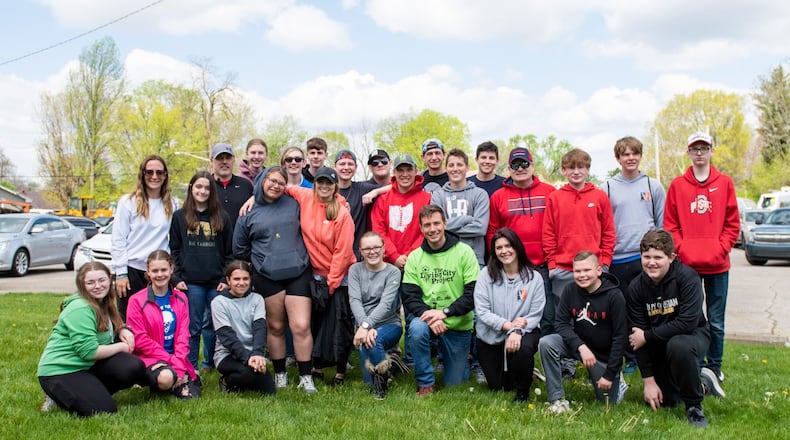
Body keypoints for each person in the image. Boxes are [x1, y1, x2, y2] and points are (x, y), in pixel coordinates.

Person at [626, 230, 725, 428]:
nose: (651, 262)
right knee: (669, 400)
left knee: (679, 345)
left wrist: (648, 335)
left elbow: (687, 323)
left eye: (658, 257)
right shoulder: (636, 287)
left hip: (692, 336)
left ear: (671, 257)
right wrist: (648, 381)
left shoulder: (688, 278)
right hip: (657, 342)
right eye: (646, 257)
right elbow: (637, 338)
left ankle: (694, 408)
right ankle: (704, 382)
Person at [664, 132, 739, 384]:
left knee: (716, 320)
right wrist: (682, 249)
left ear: (711, 151)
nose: (699, 153)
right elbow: (671, 224)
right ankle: (693, 363)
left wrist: (722, 248)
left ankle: (715, 367)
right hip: (687, 266)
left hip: (718, 264)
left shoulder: (725, 182)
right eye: (694, 148)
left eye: (703, 148)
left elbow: (732, 223)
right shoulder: (677, 185)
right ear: (688, 152)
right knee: (689, 318)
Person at [233, 166, 316, 394]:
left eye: (280, 182)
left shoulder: (293, 203)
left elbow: (321, 199)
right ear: (261, 181)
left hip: (298, 271)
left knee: (300, 325)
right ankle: (280, 373)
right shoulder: (248, 212)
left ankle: (306, 376)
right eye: (271, 180)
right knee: (276, 326)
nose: (275, 185)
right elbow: (239, 248)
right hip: (267, 276)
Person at [37, 262, 145, 417]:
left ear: (110, 279)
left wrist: (123, 329)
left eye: (102, 280)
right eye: (90, 282)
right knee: (103, 410)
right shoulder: (81, 308)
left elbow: (109, 328)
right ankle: (56, 396)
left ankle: (90, 391)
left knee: (132, 367)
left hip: (86, 367)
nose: (97, 286)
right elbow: (89, 352)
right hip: (61, 370)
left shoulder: (103, 302)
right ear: (82, 285)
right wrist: (121, 347)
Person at [286, 167, 356, 386]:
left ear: (335, 186)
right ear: (314, 183)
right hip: (314, 276)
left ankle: (340, 371)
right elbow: (281, 186)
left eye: (329, 183)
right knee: (316, 323)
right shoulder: (306, 196)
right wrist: (252, 198)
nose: (324, 186)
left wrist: (332, 284)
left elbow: (342, 253)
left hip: (340, 276)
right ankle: (316, 366)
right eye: (320, 182)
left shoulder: (342, 213)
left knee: (339, 323)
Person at [602, 136, 666, 374]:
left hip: (646, 259)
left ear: (640, 156)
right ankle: (630, 357)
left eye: (634, 153)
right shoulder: (607, 187)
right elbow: (604, 225)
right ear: (618, 158)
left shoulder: (652, 186)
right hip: (618, 258)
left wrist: (661, 256)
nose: (630, 158)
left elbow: (661, 224)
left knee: (651, 309)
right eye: (625, 154)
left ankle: (653, 354)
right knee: (625, 311)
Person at [401, 205, 479, 396]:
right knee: (416, 329)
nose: (432, 229)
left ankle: (460, 360)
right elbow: (410, 296)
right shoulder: (415, 257)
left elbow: (472, 294)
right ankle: (425, 382)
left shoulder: (464, 252)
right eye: (427, 225)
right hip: (428, 321)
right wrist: (432, 318)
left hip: (457, 322)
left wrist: (444, 313)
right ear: (421, 228)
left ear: (445, 224)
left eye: (436, 223)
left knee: (455, 383)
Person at [539, 251, 628, 414]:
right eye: (577, 271)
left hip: (603, 355)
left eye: (587, 270)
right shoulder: (570, 290)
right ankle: (557, 399)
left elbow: (620, 338)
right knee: (547, 343)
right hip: (580, 347)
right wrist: (580, 346)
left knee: (608, 402)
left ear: (599, 271)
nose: (582, 275)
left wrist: (609, 374)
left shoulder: (615, 296)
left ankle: (617, 381)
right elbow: (561, 324)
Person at [543, 148, 616, 335]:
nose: (576, 171)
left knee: (593, 316)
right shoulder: (555, 198)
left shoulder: (599, 196)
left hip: (593, 267)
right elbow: (548, 232)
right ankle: (566, 361)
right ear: (564, 170)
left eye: (581, 167)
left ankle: (595, 357)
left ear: (588, 169)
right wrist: (552, 265)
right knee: (565, 317)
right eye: (571, 167)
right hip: (563, 269)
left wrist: (605, 262)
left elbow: (608, 232)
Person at [169, 171, 233, 371]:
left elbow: (230, 251)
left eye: (207, 188)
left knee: (214, 325)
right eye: (198, 187)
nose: (202, 191)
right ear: (191, 188)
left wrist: (225, 277)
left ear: (212, 191)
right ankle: (191, 366)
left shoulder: (221, 216)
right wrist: (176, 277)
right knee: (193, 327)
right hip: (190, 282)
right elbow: (175, 249)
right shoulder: (180, 216)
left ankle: (211, 363)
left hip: (217, 282)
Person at [487, 147, 556, 332]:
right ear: (509, 169)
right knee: (514, 316)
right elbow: (493, 232)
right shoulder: (498, 197)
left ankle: (550, 357)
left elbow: (559, 225)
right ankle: (519, 355)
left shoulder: (550, 192)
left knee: (549, 316)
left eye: (524, 163)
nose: (520, 168)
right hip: (513, 267)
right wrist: (498, 260)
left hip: (544, 265)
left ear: (532, 166)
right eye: (515, 164)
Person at [474, 228, 545, 402]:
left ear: (517, 247)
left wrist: (518, 331)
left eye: (508, 246)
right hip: (492, 335)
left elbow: (536, 313)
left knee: (521, 353)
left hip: (523, 332)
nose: (504, 251)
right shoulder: (485, 275)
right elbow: (482, 311)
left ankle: (523, 393)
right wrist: (510, 326)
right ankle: (525, 371)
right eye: (499, 248)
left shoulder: (534, 278)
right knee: (498, 387)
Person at [126, 250, 200, 399]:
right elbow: (140, 340)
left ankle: (178, 377)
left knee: (192, 396)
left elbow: (183, 335)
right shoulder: (136, 301)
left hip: (176, 357)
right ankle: (163, 381)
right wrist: (169, 359)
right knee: (166, 379)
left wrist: (178, 364)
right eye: (155, 271)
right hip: (150, 357)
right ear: (148, 272)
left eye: (164, 270)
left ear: (171, 269)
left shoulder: (181, 298)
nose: (160, 275)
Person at [112, 154, 177, 319]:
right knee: (128, 322)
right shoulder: (128, 202)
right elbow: (118, 239)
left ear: (165, 175)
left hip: (158, 273)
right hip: (132, 271)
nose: (154, 176)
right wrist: (121, 273)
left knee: (158, 321)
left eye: (159, 172)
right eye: (149, 172)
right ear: (142, 174)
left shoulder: (172, 203)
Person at [348, 231, 404, 399]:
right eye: (367, 249)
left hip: (390, 324)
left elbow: (386, 305)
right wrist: (365, 326)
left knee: (374, 341)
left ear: (384, 249)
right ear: (360, 251)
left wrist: (366, 327)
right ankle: (392, 365)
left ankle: (381, 388)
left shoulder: (393, 272)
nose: (372, 252)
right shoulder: (355, 270)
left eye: (376, 247)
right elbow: (355, 301)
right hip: (364, 326)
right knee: (367, 381)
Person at [212, 260, 275, 395]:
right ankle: (226, 381)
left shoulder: (257, 299)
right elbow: (227, 337)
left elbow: (260, 328)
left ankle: (249, 376)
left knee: (269, 390)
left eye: (245, 278)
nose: (242, 283)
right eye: (236, 279)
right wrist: (248, 359)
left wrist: (257, 353)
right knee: (249, 375)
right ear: (228, 280)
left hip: (252, 353)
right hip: (227, 354)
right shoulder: (218, 302)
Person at [370, 154, 432, 270]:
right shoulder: (383, 200)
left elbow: (428, 230)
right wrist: (394, 256)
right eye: (400, 170)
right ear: (394, 172)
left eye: (409, 170)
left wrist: (410, 255)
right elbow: (379, 231)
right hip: (387, 265)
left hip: (419, 263)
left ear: (416, 171)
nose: (405, 174)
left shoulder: (427, 199)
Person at [431, 148, 490, 266]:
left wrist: (446, 227)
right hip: (445, 259)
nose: (455, 169)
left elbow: (480, 228)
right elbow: (436, 227)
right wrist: (466, 219)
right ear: (446, 168)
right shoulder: (438, 195)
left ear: (467, 168)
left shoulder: (480, 194)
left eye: (459, 165)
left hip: (474, 260)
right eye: (451, 165)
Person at [334, 149, 381, 260]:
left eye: (350, 164)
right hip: (334, 253)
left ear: (356, 168)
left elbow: (393, 186)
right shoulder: (327, 190)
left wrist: (375, 192)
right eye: (342, 164)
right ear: (334, 167)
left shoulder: (362, 188)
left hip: (357, 255)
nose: (346, 167)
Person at [210, 143, 254, 227]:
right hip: (213, 238)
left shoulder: (245, 185)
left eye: (228, 158)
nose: (224, 161)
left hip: (241, 238)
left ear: (233, 160)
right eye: (220, 158)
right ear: (212, 161)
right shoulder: (205, 186)